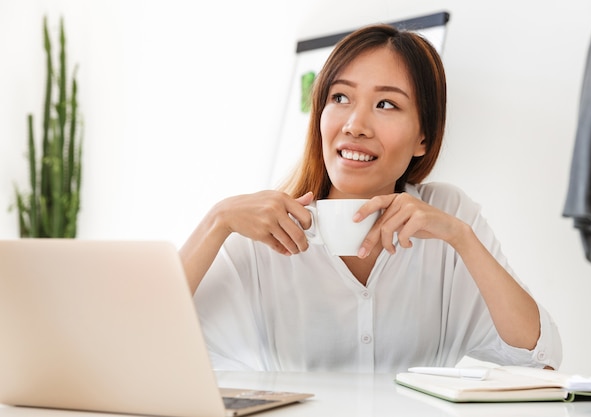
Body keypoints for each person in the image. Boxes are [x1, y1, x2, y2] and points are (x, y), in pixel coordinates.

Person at [180, 24, 562, 373]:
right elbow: (141, 344)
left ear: (423, 138)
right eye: (341, 97)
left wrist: (461, 237)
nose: (354, 126)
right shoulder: (260, 230)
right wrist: (217, 221)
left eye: (386, 104)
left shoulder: (449, 215)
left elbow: (538, 356)